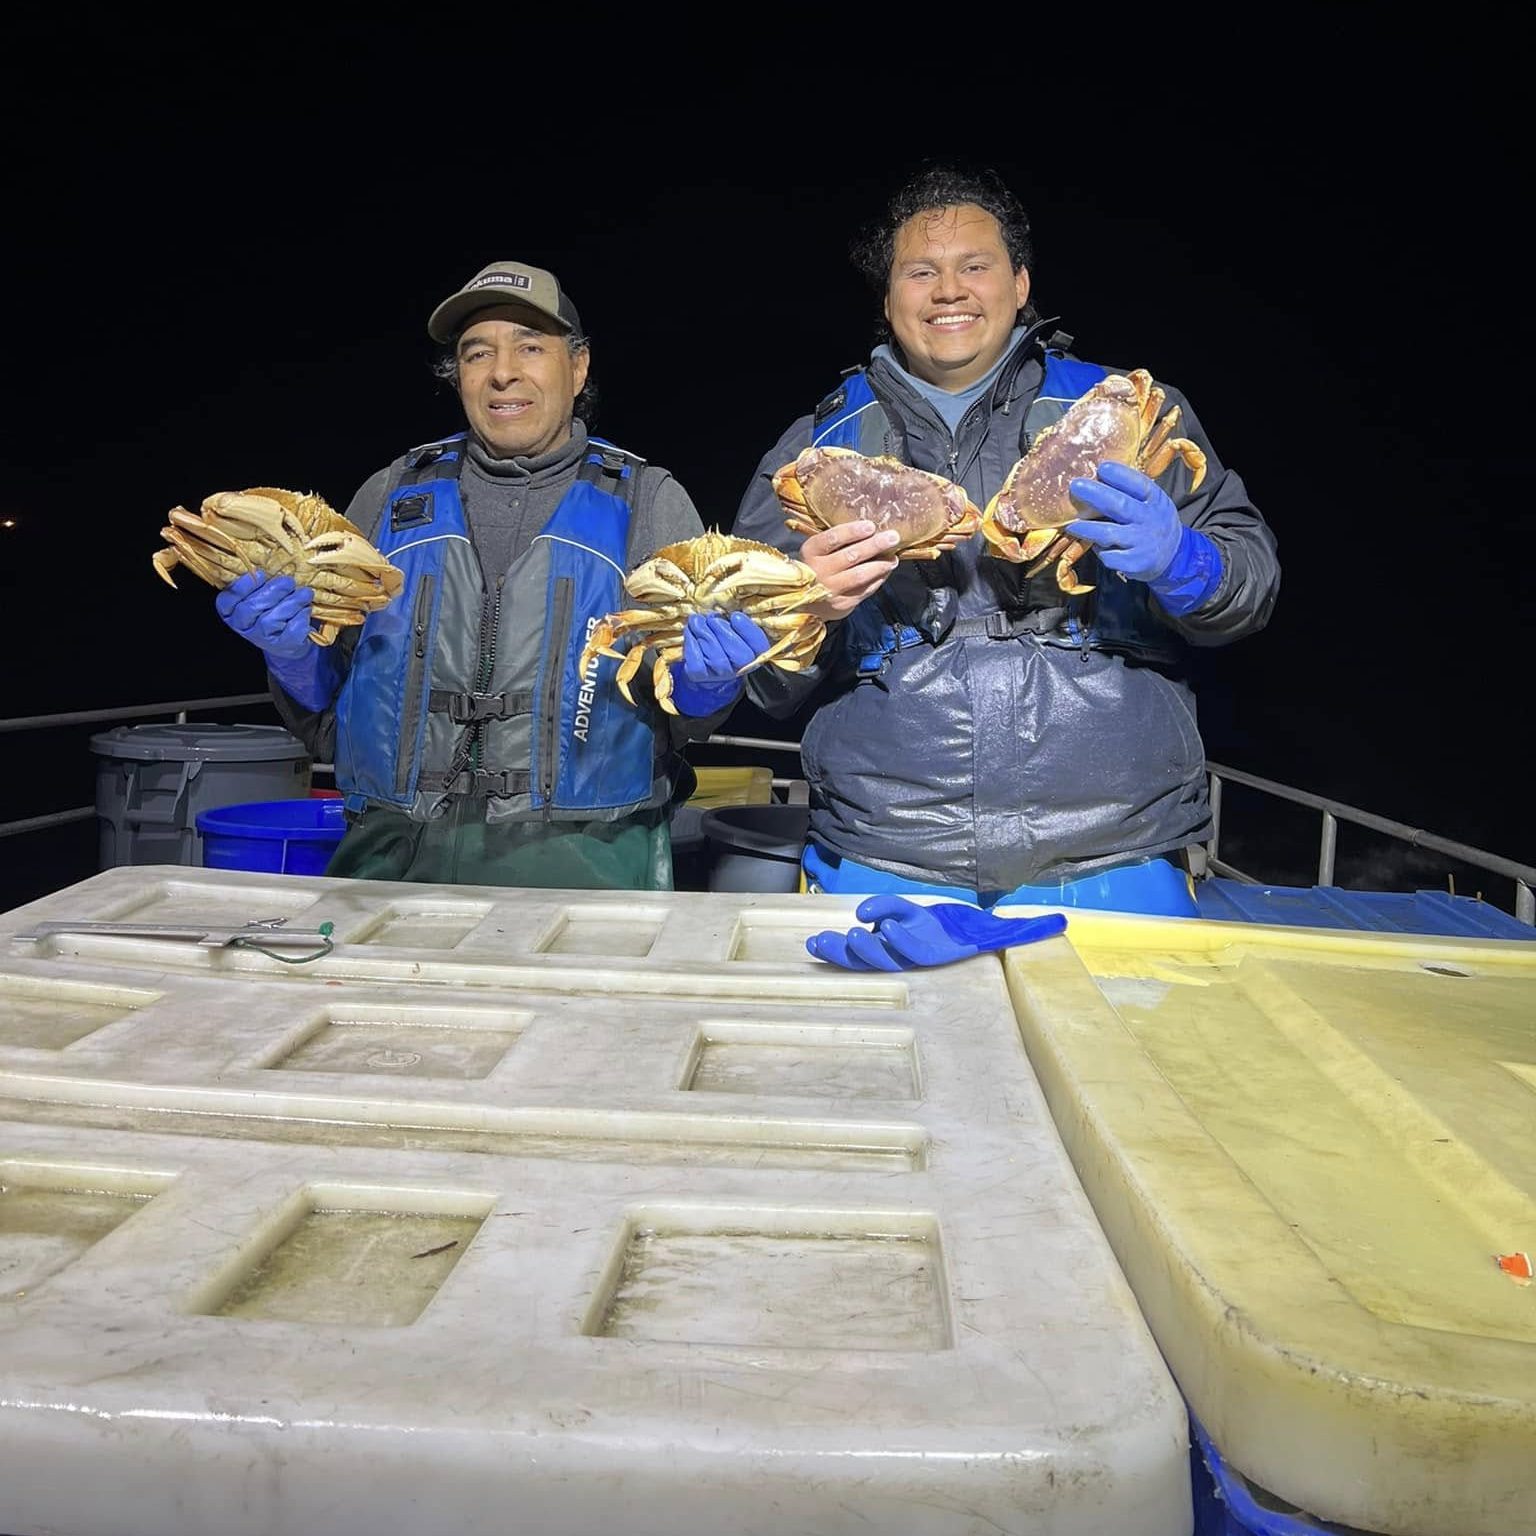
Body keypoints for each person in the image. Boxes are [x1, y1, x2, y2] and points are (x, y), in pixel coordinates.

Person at [732, 162, 1280, 935]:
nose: (949, 290)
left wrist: (1182, 561)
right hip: (883, 853)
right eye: (920, 272)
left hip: (1115, 856)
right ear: (889, 302)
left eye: (975, 266)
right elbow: (754, 680)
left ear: (1020, 284)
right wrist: (798, 611)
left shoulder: (1121, 409)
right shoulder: (814, 456)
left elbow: (1250, 585)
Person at [216, 259, 769, 889]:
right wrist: (287, 653)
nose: (503, 371)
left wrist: (713, 681)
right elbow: (327, 705)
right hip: (391, 865)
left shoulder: (650, 500)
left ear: (579, 366)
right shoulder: (388, 495)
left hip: (591, 868)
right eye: (478, 353)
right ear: (459, 377)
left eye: (530, 347)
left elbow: (689, 716)